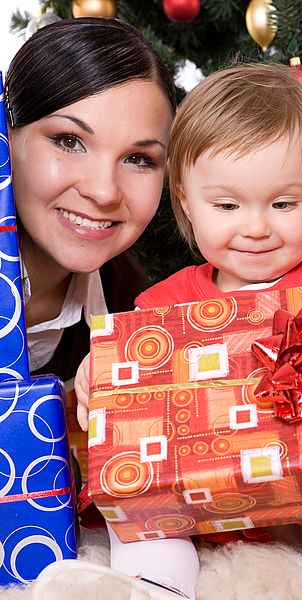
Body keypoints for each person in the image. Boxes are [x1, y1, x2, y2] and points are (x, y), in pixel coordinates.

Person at [37, 63, 302, 600]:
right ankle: (147, 587)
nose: (257, 227)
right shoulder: (161, 309)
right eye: (228, 205)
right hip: (209, 504)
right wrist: (98, 374)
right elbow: (126, 389)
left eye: (284, 204)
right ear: (187, 202)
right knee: (146, 527)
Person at [5, 16, 176, 390]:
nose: (104, 192)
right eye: (68, 141)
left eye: (138, 159)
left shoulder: (139, 316)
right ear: (6, 137)